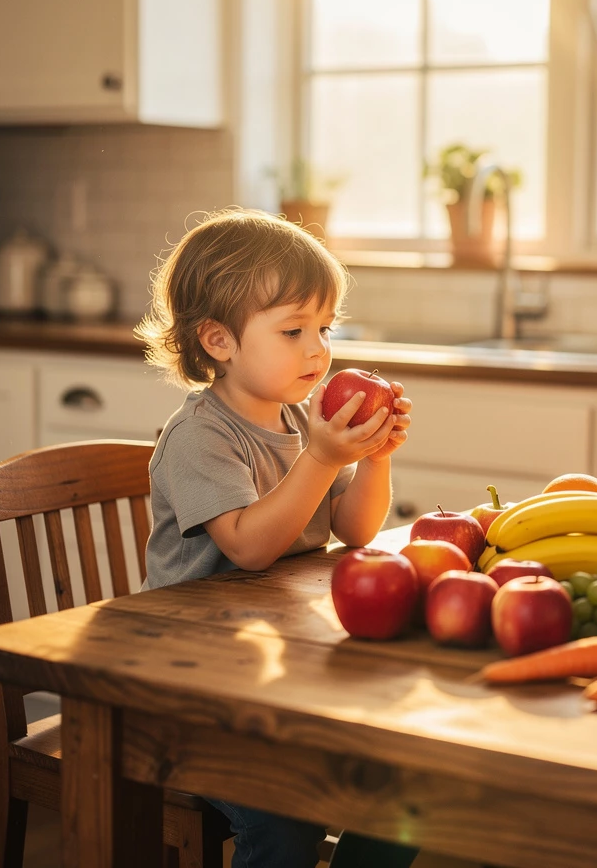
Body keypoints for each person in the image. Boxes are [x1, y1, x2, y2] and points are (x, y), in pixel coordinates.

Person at [136, 207, 418, 868]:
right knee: (284, 821)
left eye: (325, 328)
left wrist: (374, 457)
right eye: (293, 330)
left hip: (273, 683)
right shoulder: (200, 436)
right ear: (218, 341)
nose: (318, 349)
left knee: (404, 787)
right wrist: (321, 457)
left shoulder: (300, 419)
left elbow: (355, 529)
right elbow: (250, 547)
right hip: (191, 696)